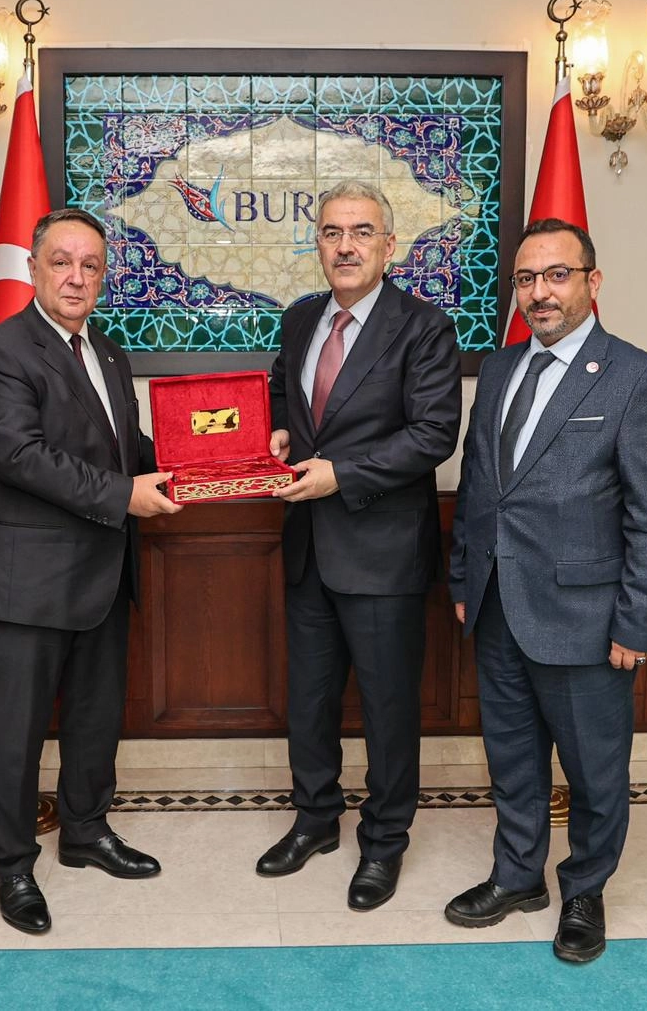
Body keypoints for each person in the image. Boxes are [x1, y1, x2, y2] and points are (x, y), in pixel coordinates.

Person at [444, 218, 647, 963]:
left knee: (594, 771)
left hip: (587, 617)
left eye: (556, 275)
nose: (539, 292)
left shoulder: (637, 377)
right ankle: (517, 876)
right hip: (495, 606)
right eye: (526, 279)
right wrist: (464, 575)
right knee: (512, 758)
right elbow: (479, 487)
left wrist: (638, 623)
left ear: (591, 282)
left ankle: (584, 890)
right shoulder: (498, 370)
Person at [0, 208, 182, 935]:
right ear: (33, 269)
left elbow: (125, 445)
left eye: (90, 265)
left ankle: (86, 832)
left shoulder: (107, 352)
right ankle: (12, 865)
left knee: (95, 718)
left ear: (104, 276)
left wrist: (205, 458)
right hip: (27, 582)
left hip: (101, 573)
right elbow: (19, 456)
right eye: (62, 262)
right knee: (17, 733)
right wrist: (125, 496)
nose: (76, 278)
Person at [260, 180, 462, 911]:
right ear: (317, 243)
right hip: (307, 549)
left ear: (388, 245)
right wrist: (278, 430)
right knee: (309, 702)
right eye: (331, 233)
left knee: (387, 709)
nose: (345, 246)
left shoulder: (424, 327)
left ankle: (383, 841)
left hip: (383, 554)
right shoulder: (299, 319)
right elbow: (283, 391)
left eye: (360, 232)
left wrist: (340, 474)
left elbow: (433, 434)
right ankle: (315, 819)